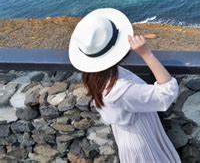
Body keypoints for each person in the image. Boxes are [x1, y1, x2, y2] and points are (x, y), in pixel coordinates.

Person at [68, 8, 181, 162]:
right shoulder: (120, 90)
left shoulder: (94, 77)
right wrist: (146, 54)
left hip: (129, 138)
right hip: (143, 142)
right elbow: (167, 92)